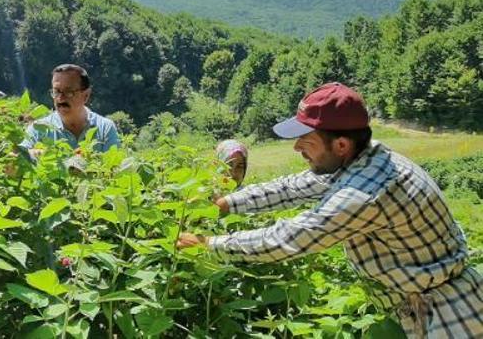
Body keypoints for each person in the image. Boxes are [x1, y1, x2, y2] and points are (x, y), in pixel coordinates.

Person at [176, 82, 483, 338]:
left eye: (305, 140)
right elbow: (293, 187)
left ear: (340, 145)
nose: (297, 148)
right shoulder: (364, 159)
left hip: (446, 317)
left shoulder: (365, 193)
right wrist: (227, 203)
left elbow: (289, 239)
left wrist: (208, 245)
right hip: (420, 305)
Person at [20, 64, 120, 160]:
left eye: (69, 92)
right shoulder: (38, 129)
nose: (60, 98)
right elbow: (18, 159)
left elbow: (114, 170)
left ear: (86, 95)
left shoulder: (105, 128)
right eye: (56, 91)